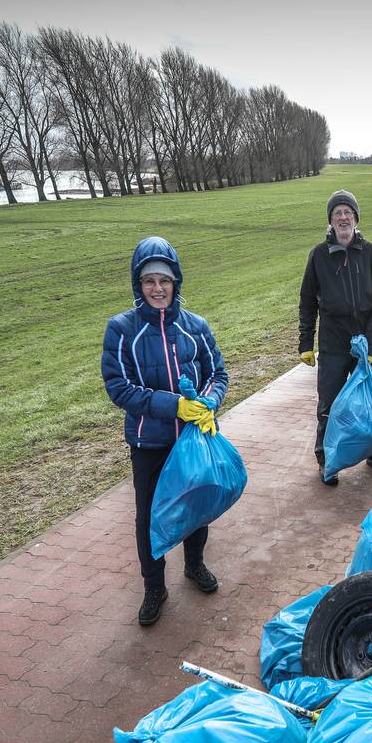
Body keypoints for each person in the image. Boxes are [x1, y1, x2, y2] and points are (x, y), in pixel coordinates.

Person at [101, 236, 229, 626]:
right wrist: (174, 406)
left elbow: (218, 374)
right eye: (149, 281)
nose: (158, 288)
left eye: (165, 281)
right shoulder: (121, 330)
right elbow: (119, 388)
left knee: (197, 505)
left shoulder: (196, 327)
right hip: (149, 442)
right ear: (138, 284)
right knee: (149, 517)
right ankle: (154, 586)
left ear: (176, 283)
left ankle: (194, 564)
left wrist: (207, 404)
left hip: (194, 439)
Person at [299, 189, 372, 485]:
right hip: (333, 344)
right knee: (329, 405)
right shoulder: (318, 255)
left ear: (355, 218)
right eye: (337, 213)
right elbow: (307, 302)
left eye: (347, 212)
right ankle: (326, 460)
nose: (343, 217)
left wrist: (371, 343)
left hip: (368, 345)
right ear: (330, 220)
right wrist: (305, 343)